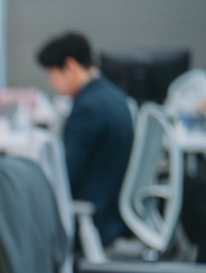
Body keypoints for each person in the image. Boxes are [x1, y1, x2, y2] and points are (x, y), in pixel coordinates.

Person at [37, 32, 134, 245]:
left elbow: (65, 175)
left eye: (52, 73)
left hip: (94, 218)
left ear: (70, 67)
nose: (52, 83)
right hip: (113, 212)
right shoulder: (114, 96)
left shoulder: (87, 110)